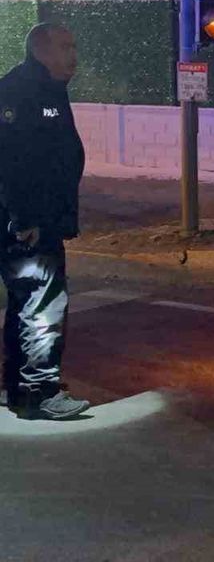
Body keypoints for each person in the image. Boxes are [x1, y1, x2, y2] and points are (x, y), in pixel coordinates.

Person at [0, 23, 91, 421]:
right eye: (65, 47)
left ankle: (18, 387)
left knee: (25, 301)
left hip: (36, 219)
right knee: (43, 303)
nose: (73, 56)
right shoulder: (23, 92)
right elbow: (12, 161)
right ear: (40, 50)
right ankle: (40, 392)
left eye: (73, 46)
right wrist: (25, 217)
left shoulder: (46, 89)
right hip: (29, 223)